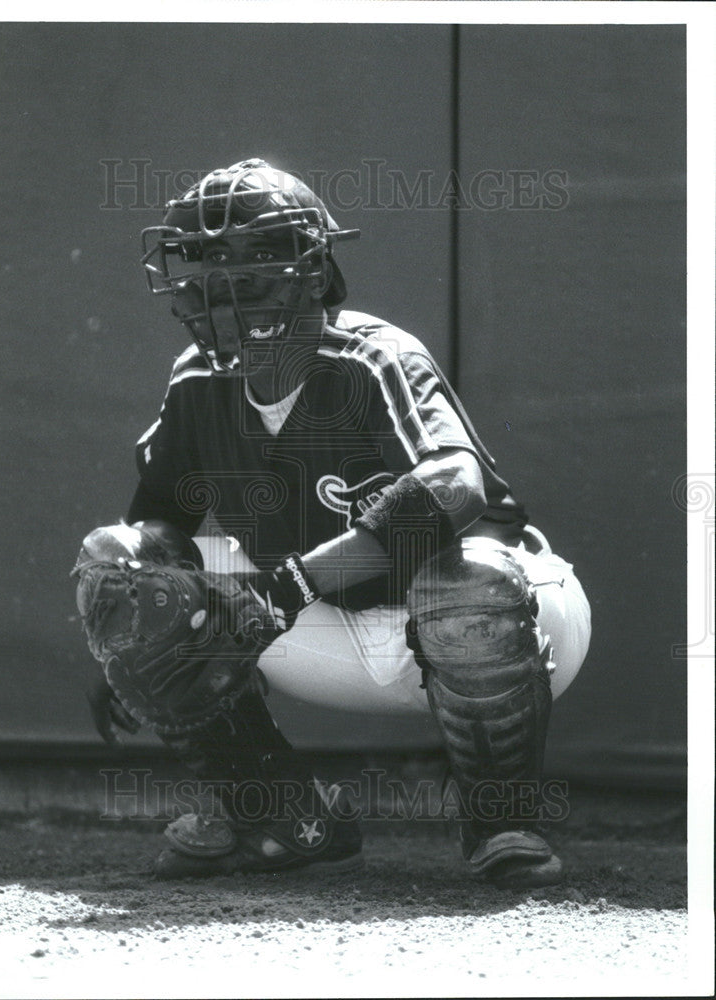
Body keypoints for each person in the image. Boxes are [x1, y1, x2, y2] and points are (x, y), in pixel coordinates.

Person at [75, 158, 591, 888]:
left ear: (313, 273)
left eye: (253, 253)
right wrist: (130, 627)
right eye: (208, 255)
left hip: (504, 617)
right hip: (324, 626)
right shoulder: (195, 377)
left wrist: (297, 584)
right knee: (127, 564)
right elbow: (160, 523)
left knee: (464, 584)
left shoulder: (373, 354)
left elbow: (454, 485)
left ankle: (503, 819)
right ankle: (278, 819)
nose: (223, 277)